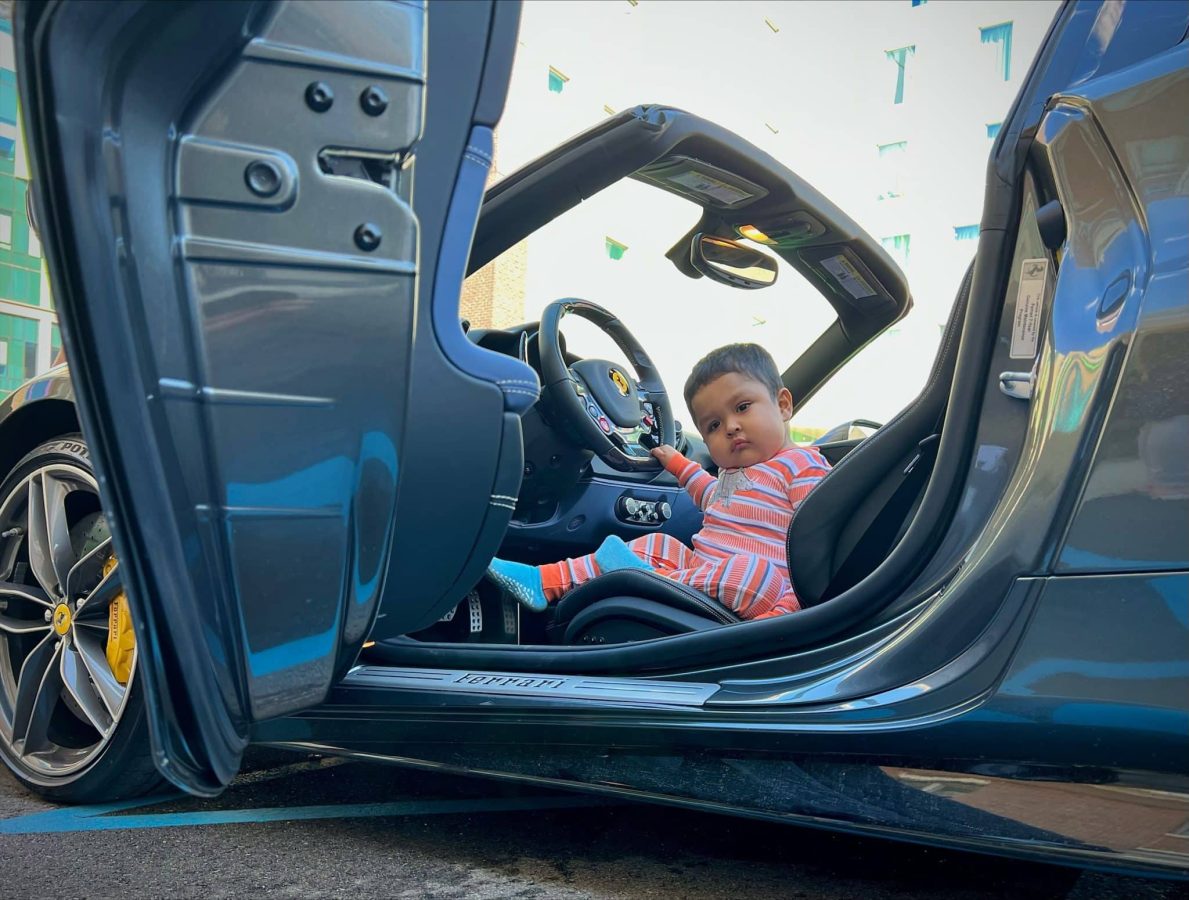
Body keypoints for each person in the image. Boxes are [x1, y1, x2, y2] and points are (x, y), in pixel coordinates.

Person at [487, 343, 831, 620]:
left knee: (751, 571)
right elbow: (711, 495)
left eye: (742, 407)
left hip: (768, 588)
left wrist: (792, 608)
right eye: (713, 425)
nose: (730, 427)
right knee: (660, 544)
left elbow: (817, 542)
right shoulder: (734, 473)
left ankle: (646, 578)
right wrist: (676, 462)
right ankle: (543, 581)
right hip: (704, 572)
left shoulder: (801, 465)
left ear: (782, 405)